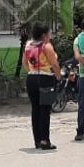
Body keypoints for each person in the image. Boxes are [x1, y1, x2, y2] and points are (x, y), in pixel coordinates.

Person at [23, 22, 62, 151]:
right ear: (44, 35)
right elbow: (54, 64)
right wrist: (58, 77)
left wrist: (32, 71)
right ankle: (45, 140)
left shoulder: (28, 45)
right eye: (49, 33)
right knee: (45, 110)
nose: (50, 36)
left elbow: (25, 63)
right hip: (45, 78)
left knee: (35, 110)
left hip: (31, 78)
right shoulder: (47, 46)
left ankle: (38, 140)